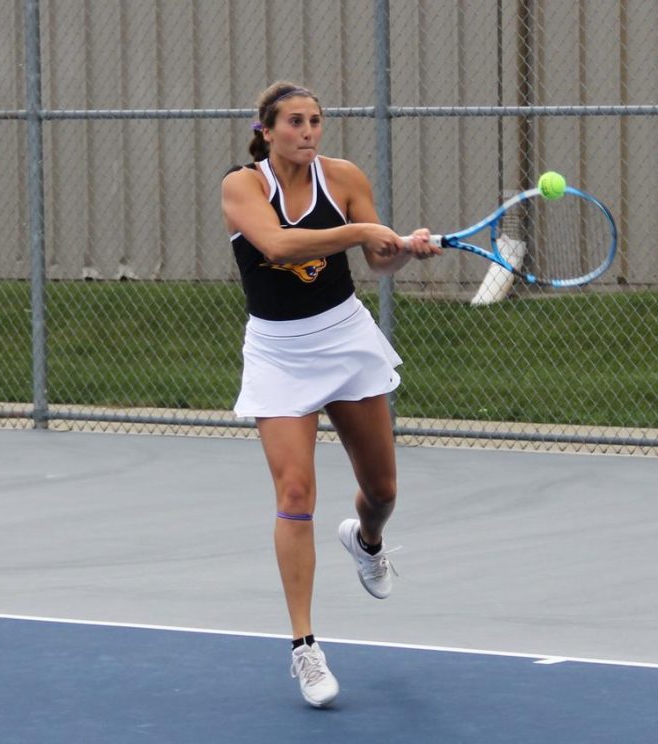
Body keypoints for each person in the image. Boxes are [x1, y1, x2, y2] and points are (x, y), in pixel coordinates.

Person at [220, 81, 440, 708]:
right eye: (295, 121)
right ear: (266, 129)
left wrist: (403, 250)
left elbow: (377, 260)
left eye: (316, 120)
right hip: (278, 353)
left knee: (383, 491)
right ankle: (305, 648)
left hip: (344, 341)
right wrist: (365, 229)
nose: (308, 131)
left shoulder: (343, 178)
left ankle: (366, 541)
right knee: (294, 492)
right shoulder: (243, 185)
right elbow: (279, 245)